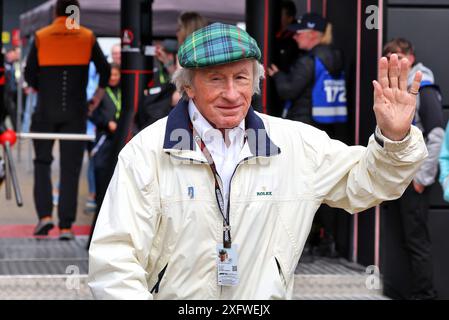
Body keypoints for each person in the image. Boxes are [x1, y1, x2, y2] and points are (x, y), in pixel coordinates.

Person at [88, 23, 427, 300]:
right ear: (189, 87)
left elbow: (369, 184)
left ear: (256, 83)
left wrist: (394, 138)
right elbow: (114, 263)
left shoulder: (296, 144)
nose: (232, 93)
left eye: (241, 78)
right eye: (216, 79)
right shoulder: (147, 151)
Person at [24, 0, 110, 240]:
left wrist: (43, 87)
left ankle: (44, 217)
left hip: (45, 112)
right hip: (76, 112)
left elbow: (30, 74)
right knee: (70, 170)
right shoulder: (87, 37)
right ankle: (66, 226)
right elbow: (104, 70)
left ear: (55, 12)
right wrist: (95, 98)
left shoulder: (42, 36)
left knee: (42, 162)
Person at [268, 13, 348, 260]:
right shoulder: (336, 58)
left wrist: (276, 75)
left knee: (298, 186)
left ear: (313, 34)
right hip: (328, 130)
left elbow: (287, 89)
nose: (295, 35)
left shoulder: (308, 61)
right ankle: (329, 241)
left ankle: (300, 245)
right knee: (325, 185)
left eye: (300, 32)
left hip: (302, 130)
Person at [383, 38, 443, 300]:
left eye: (400, 56)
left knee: (417, 243)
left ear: (411, 56)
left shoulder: (424, 89)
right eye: (390, 56)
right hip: (397, 180)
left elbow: (437, 135)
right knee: (402, 241)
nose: (396, 61)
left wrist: (422, 178)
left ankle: (425, 295)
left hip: (413, 181)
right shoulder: (395, 89)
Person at [89, 63, 121, 239]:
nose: (113, 78)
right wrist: (106, 122)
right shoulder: (100, 92)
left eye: (116, 75)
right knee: (101, 177)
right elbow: (91, 112)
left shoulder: (125, 90)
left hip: (122, 139)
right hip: (104, 141)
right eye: (111, 75)